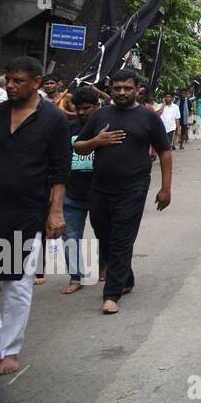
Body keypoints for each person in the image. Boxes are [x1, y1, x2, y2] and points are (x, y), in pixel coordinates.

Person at [73, 69, 172, 314]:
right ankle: (126, 278)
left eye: (127, 88)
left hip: (134, 188)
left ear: (136, 88)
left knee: (121, 239)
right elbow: (78, 147)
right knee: (103, 235)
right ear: (110, 89)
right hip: (100, 188)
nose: (122, 92)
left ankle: (111, 294)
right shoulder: (99, 115)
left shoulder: (148, 118)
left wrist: (165, 188)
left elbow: (165, 152)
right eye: (117, 88)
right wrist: (96, 142)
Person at [0, 57, 68, 373]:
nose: (10, 85)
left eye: (18, 81)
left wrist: (55, 212)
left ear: (36, 82)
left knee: (15, 282)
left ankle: (9, 351)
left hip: (24, 215)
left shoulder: (53, 120)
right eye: (7, 80)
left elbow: (60, 171)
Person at [62, 86, 102, 294]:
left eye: (86, 108)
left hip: (100, 193)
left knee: (104, 234)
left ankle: (104, 267)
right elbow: (59, 159)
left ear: (97, 106)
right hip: (72, 194)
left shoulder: (106, 128)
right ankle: (76, 277)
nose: (81, 113)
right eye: (78, 108)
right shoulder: (68, 129)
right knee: (70, 236)